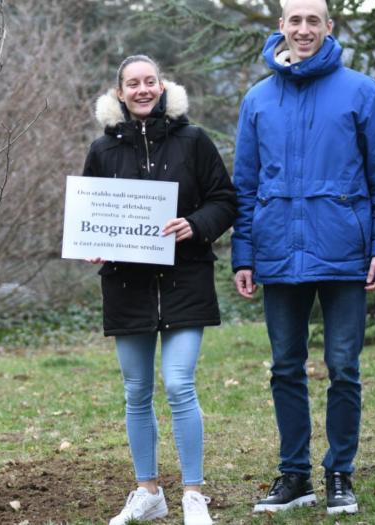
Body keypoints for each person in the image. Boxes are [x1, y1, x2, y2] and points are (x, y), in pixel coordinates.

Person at [231, 0, 375, 516]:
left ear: (329, 27)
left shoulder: (363, 92)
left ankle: (340, 474)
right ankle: (294, 476)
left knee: (343, 367)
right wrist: (244, 254)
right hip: (278, 253)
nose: (304, 29)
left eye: (314, 21)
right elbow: (245, 186)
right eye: (295, 21)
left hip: (344, 254)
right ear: (281, 28)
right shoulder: (258, 99)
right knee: (285, 367)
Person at [82, 55, 237, 525]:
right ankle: (148, 491)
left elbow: (225, 201)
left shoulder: (193, 141)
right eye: (134, 84)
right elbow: (91, 213)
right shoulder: (102, 150)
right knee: (135, 391)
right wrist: (94, 243)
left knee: (178, 384)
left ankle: (193, 494)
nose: (143, 90)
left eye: (150, 81)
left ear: (163, 86)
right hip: (127, 286)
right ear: (120, 92)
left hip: (185, 281)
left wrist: (195, 225)